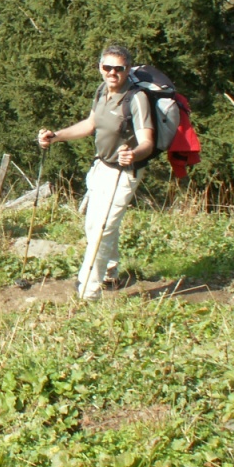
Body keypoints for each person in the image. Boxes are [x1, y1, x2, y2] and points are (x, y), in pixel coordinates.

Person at [38, 44, 155, 301]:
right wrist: (56, 136)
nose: (112, 72)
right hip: (101, 166)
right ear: (100, 67)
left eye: (119, 68)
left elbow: (148, 141)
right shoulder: (102, 90)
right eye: (107, 67)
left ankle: (88, 291)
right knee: (94, 225)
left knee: (102, 228)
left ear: (127, 69)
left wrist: (134, 154)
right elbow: (91, 124)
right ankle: (110, 272)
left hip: (124, 173)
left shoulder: (136, 99)